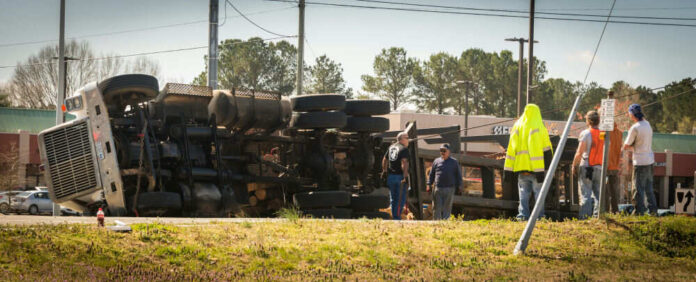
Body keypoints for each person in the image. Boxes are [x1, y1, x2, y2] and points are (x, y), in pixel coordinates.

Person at [504, 104, 553, 221]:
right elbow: (547, 149)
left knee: (523, 194)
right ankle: (539, 217)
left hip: (521, 168)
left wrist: (507, 169)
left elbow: (511, 149)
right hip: (537, 169)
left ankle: (522, 216)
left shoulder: (517, 126)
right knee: (539, 194)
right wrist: (548, 168)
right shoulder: (539, 127)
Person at [623, 104, 657, 215]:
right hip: (650, 160)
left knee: (637, 188)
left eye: (629, 113)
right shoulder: (647, 124)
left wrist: (622, 148)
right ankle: (653, 211)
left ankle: (639, 211)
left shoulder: (635, 128)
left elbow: (626, 145)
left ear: (632, 114)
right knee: (649, 188)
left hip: (640, 161)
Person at [572, 111, 603, 219]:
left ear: (588, 121)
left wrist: (574, 165)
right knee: (598, 195)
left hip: (586, 167)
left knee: (586, 194)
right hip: (599, 168)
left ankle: (585, 218)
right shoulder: (603, 134)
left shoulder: (586, 133)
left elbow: (579, 152)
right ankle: (597, 217)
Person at [427, 143, 462, 220]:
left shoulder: (454, 162)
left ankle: (445, 222)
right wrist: (429, 184)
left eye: (444, 150)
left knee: (447, 207)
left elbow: (458, 175)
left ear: (449, 152)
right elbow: (432, 174)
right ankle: (436, 222)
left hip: (449, 188)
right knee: (436, 207)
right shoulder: (436, 161)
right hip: (438, 188)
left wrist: (459, 186)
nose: (442, 152)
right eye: (441, 150)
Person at [382, 132, 409, 220]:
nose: (408, 139)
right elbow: (404, 162)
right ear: (401, 139)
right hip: (399, 177)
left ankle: (394, 217)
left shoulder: (391, 147)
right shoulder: (404, 149)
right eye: (407, 138)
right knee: (400, 199)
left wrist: (384, 171)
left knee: (393, 198)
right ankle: (397, 218)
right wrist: (405, 176)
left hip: (390, 176)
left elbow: (384, 159)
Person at [603, 121, 623, 213]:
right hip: (615, 166)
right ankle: (615, 211)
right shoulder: (619, 133)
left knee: (605, 191)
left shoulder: (604, 132)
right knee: (614, 191)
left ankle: (605, 211)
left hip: (606, 166)